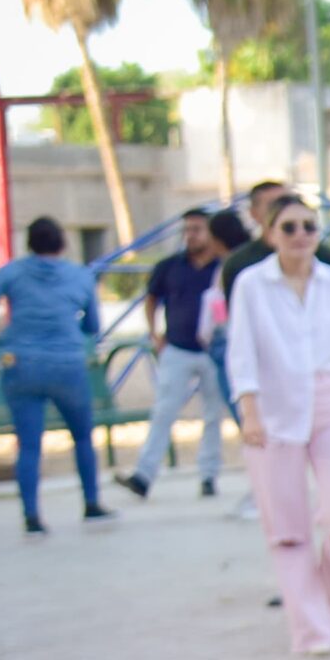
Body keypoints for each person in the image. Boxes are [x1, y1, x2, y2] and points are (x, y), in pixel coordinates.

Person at [225, 195, 330, 657]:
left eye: (309, 227)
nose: (300, 236)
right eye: (289, 227)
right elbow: (241, 352)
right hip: (273, 411)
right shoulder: (252, 284)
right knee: (288, 529)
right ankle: (313, 630)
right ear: (270, 234)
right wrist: (250, 413)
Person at [0, 217, 115, 536]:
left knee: (29, 444)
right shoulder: (80, 275)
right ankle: (91, 502)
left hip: (22, 364)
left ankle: (32, 515)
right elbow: (92, 325)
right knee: (82, 436)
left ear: (29, 243)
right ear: (63, 242)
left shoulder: (14, 272)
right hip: (67, 364)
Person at [116, 208, 230, 501]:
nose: (191, 236)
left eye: (197, 229)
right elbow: (152, 298)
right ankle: (144, 475)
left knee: (213, 414)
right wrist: (155, 335)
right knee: (164, 410)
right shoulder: (170, 266)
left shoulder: (223, 267)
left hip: (213, 351)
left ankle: (208, 475)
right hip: (177, 348)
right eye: (187, 230)